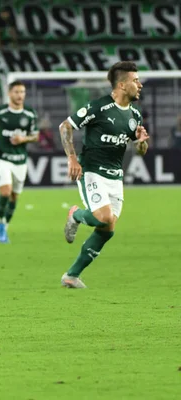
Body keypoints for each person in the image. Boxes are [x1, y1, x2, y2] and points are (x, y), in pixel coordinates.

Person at [60, 61, 149, 289]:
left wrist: (141, 143)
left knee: (107, 231)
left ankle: (71, 275)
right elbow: (66, 127)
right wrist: (71, 157)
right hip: (91, 171)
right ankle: (76, 214)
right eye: (135, 80)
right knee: (103, 218)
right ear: (121, 84)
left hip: (115, 177)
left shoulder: (135, 115)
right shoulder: (99, 107)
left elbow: (140, 150)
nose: (139, 85)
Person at [0, 80, 39, 243]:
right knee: (5, 192)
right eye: (16, 92)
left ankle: (5, 225)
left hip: (20, 160)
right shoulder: (0, 112)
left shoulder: (30, 113)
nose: (20, 95)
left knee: (14, 197)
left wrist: (24, 138)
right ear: (9, 93)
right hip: (2, 158)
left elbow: (36, 136)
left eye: (22, 92)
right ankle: (0, 223)